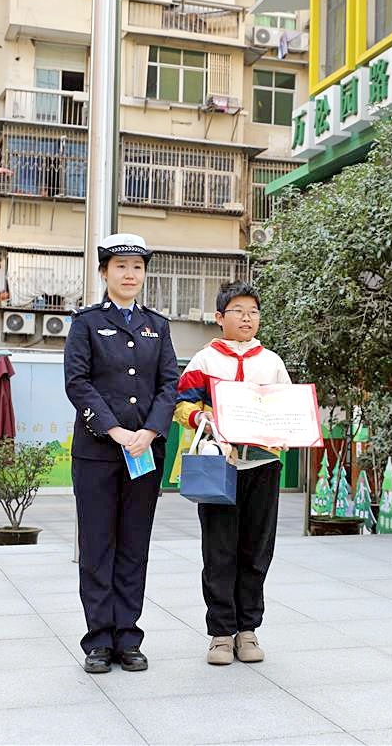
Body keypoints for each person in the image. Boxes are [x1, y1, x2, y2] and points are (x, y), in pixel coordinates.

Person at [64, 233, 178, 674]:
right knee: (97, 546)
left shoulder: (157, 326)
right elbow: (78, 382)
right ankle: (98, 640)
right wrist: (114, 429)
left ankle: (128, 637)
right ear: (104, 272)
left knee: (134, 544)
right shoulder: (86, 323)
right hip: (97, 452)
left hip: (145, 452)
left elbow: (169, 383)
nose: (130, 274)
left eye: (137, 267)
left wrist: (149, 431)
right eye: (121, 266)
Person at [174, 281, 291, 666]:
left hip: (263, 464)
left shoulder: (272, 362)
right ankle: (221, 634)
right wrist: (200, 417)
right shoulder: (204, 360)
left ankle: (248, 630)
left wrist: (290, 430)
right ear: (219, 317)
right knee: (219, 549)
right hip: (219, 467)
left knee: (256, 549)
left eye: (253, 312)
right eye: (238, 311)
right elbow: (181, 404)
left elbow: (287, 407)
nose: (246, 318)